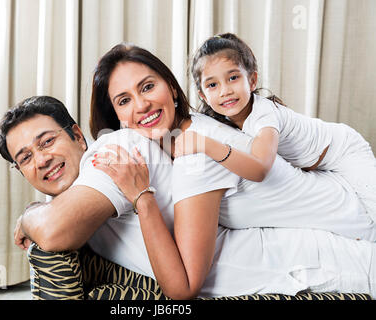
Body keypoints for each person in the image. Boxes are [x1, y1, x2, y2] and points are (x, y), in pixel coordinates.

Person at [89, 43, 376, 299]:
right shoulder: (190, 133)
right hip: (341, 218)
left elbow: (183, 288)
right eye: (124, 100)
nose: (141, 105)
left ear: (173, 88)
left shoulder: (197, 155)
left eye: (148, 86)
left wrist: (142, 197)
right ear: (117, 116)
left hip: (357, 229)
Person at [181, 32, 376, 220]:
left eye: (233, 78)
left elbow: (259, 170)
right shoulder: (216, 120)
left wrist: (204, 145)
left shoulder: (264, 115)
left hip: (343, 150)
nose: (225, 91)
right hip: (316, 165)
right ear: (203, 95)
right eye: (212, 85)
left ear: (252, 80)